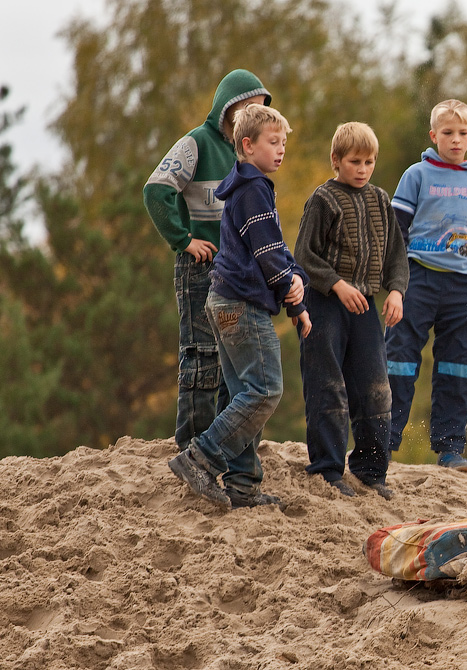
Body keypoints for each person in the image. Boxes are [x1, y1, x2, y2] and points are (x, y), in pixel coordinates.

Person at [168, 104, 312, 510]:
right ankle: (200, 458)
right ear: (247, 145)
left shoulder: (249, 186)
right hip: (240, 306)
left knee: (242, 394)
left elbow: (276, 247)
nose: (281, 150)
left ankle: (243, 486)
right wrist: (289, 286)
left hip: (224, 302)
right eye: (273, 142)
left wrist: (295, 278)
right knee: (265, 390)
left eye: (284, 143)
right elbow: (269, 253)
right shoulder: (253, 190)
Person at [143, 69, 271, 454]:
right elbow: (156, 191)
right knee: (202, 357)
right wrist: (183, 240)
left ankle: (225, 450)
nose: (255, 114)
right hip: (202, 268)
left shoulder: (249, 151)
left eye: (261, 110)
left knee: (240, 365)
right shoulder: (196, 142)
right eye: (249, 107)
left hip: (240, 273)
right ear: (228, 107)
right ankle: (191, 446)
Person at [385, 99, 467, 473]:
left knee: (459, 366)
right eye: (447, 133)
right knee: (399, 358)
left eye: (462, 134)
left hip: (466, 286)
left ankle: (450, 448)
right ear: (434, 135)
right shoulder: (416, 175)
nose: (455, 140)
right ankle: (383, 441)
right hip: (418, 276)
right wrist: (396, 280)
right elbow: (396, 229)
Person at [294, 122, 408, 500]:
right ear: (336, 161)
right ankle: (327, 469)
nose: (362, 168)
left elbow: (396, 255)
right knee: (327, 386)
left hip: (365, 307)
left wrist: (396, 292)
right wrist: (337, 284)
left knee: (375, 387)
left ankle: (371, 471)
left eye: (369, 161)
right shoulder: (323, 200)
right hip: (325, 305)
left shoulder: (380, 199)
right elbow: (304, 256)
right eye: (355, 161)